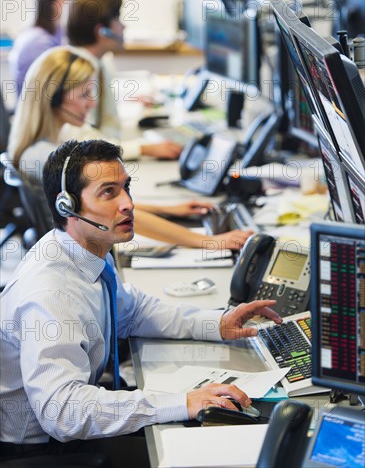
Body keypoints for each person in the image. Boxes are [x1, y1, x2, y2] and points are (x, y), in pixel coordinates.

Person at [0, 137, 282, 467]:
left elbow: (132, 312)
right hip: (42, 450)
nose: (128, 203)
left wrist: (217, 322)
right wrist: (183, 402)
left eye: (126, 187)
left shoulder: (82, 254)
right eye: (109, 192)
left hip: (67, 430)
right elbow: (63, 413)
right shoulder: (52, 293)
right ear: (68, 207)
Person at [6, 48, 253, 250]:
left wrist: (166, 209)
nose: (91, 103)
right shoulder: (45, 157)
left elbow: (95, 203)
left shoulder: (39, 148)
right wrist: (207, 241)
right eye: (84, 94)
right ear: (55, 97)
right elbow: (110, 212)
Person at [59, 0, 182, 161]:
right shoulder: (77, 71)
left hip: (108, 147)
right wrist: (143, 148)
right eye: (118, 20)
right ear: (102, 31)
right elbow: (81, 142)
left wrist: (126, 97)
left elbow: (99, 114)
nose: (124, 27)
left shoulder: (100, 62)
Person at [8, 0, 75, 96]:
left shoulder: (56, 33)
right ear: (53, 1)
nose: (72, 6)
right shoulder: (37, 41)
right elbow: (52, 91)